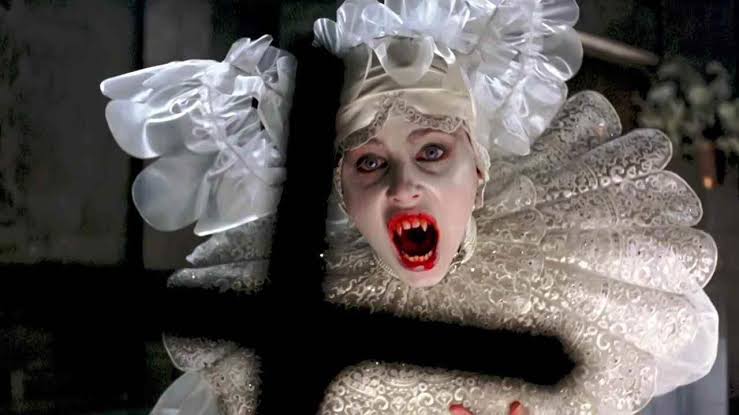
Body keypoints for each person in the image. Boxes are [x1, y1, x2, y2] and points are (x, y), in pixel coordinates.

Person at [316, 0, 719, 414]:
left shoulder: (559, 280)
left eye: (432, 151)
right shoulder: (308, 325)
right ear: (342, 193)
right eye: (369, 162)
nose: (403, 188)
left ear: (478, 172)